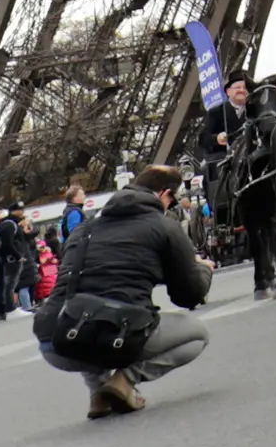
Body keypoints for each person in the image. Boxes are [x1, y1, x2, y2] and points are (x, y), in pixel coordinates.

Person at [33, 163, 213, 421]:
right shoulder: (164, 227)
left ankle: (98, 393)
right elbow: (188, 295)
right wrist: (202, 269)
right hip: (116, 337)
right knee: (197, 334)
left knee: (85, 309)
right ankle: (125, 381)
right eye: (172, 201)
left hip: (55, 342)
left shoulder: (85, 228)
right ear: (163, 194)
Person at [196, 73, 254, 163]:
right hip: (220, 159)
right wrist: (217, 139)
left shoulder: (254, 111)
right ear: (228, 91)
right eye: (238, 87)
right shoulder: (216, 112)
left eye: (245, 88)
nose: (242, 90)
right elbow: (203, 139)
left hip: (248, 159)